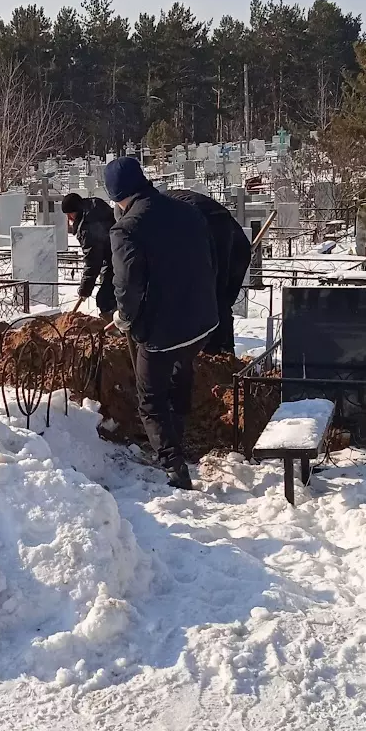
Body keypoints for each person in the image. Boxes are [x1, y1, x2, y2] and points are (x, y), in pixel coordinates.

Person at [105, 155, 218, 489]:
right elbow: (208, 260)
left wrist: (124, 319)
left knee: (150, 398)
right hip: (201, 322)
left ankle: (174, 466)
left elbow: (126, 286)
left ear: (116, 197)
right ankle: (179, 430)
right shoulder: (187, 210)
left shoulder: (126, 228)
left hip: (162, 332)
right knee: (182, 371)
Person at [170, 189, 251, 354]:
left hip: (211, 231)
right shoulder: (161, 204)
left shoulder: (149, 214)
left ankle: (215, 354)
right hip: (230, 236)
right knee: (219, 300)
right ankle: (223, 354)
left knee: (213, 299)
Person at [61, 191, 116, 319]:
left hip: (117, 260)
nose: (69, 218)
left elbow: (92, 262)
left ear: (75, 211)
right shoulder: (96, 206)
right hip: (117, 257)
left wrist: (84, 290)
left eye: (70, 214)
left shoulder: (87, 227)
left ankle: (117, 332)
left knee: (105, 300)